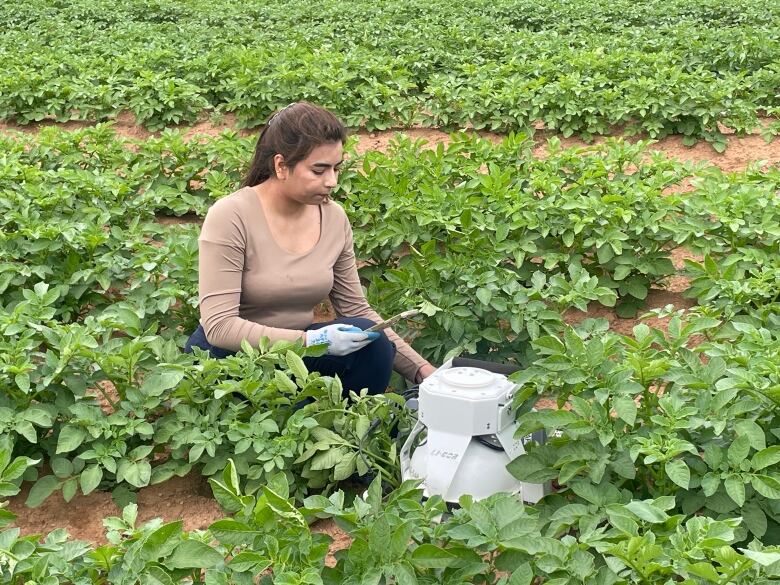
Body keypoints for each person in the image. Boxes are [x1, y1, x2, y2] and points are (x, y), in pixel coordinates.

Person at [185, 101, 436, 395]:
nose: (331, 181)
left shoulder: (333, 218)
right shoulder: (232, 215)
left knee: (374, 344)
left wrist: (424, 371)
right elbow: (220, 326)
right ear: (281, 166)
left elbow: (356, 308)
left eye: (336, 168)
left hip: (297, 357)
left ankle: (354, 433)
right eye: (319, 170)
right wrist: (312, 342)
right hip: (232, 361)